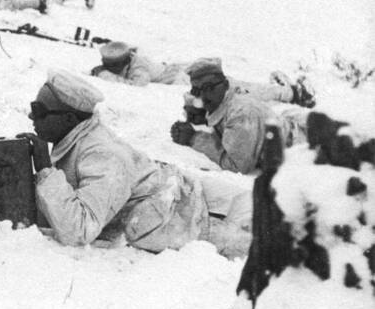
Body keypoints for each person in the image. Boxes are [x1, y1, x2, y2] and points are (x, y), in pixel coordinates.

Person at [28, 70, 250, 254]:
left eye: (39, 111)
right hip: (189, 207)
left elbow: (79, 230)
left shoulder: (102, 155)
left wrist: (46, 171)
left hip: (211, 218)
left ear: (68, 119)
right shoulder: (81, 142)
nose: (31, 117)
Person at [92, 42, 314, 107]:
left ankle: (292, 94)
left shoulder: (137, 68)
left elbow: (137, 85)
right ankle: (286, 91)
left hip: (187, 76)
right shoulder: (132, 58)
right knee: (240, 85)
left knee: (240, 88)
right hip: (187, 71)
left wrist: (105, 75)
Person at [169, 58, 279, 174]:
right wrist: (203, 115)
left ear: (225, 85)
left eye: (208, 88)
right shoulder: (221, 98)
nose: (203, 96)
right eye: (196, 90)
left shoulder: (241, 113)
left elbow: (237, 166)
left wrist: (195, 138)